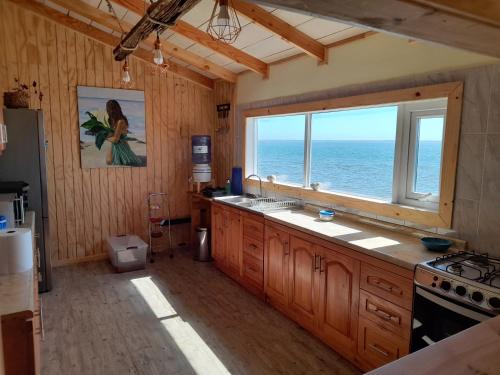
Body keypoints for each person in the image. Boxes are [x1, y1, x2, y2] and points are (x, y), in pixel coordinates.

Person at [105, 99, 142, 166]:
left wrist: (105, 138)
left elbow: (115, 139)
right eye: (109, 110)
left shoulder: (120, 121)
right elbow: (111, 134)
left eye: (110, 110)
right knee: (108, 161)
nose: (110, 112)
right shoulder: (112, 120)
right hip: (114, 145)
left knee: (115, 162)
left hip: (122, 146)